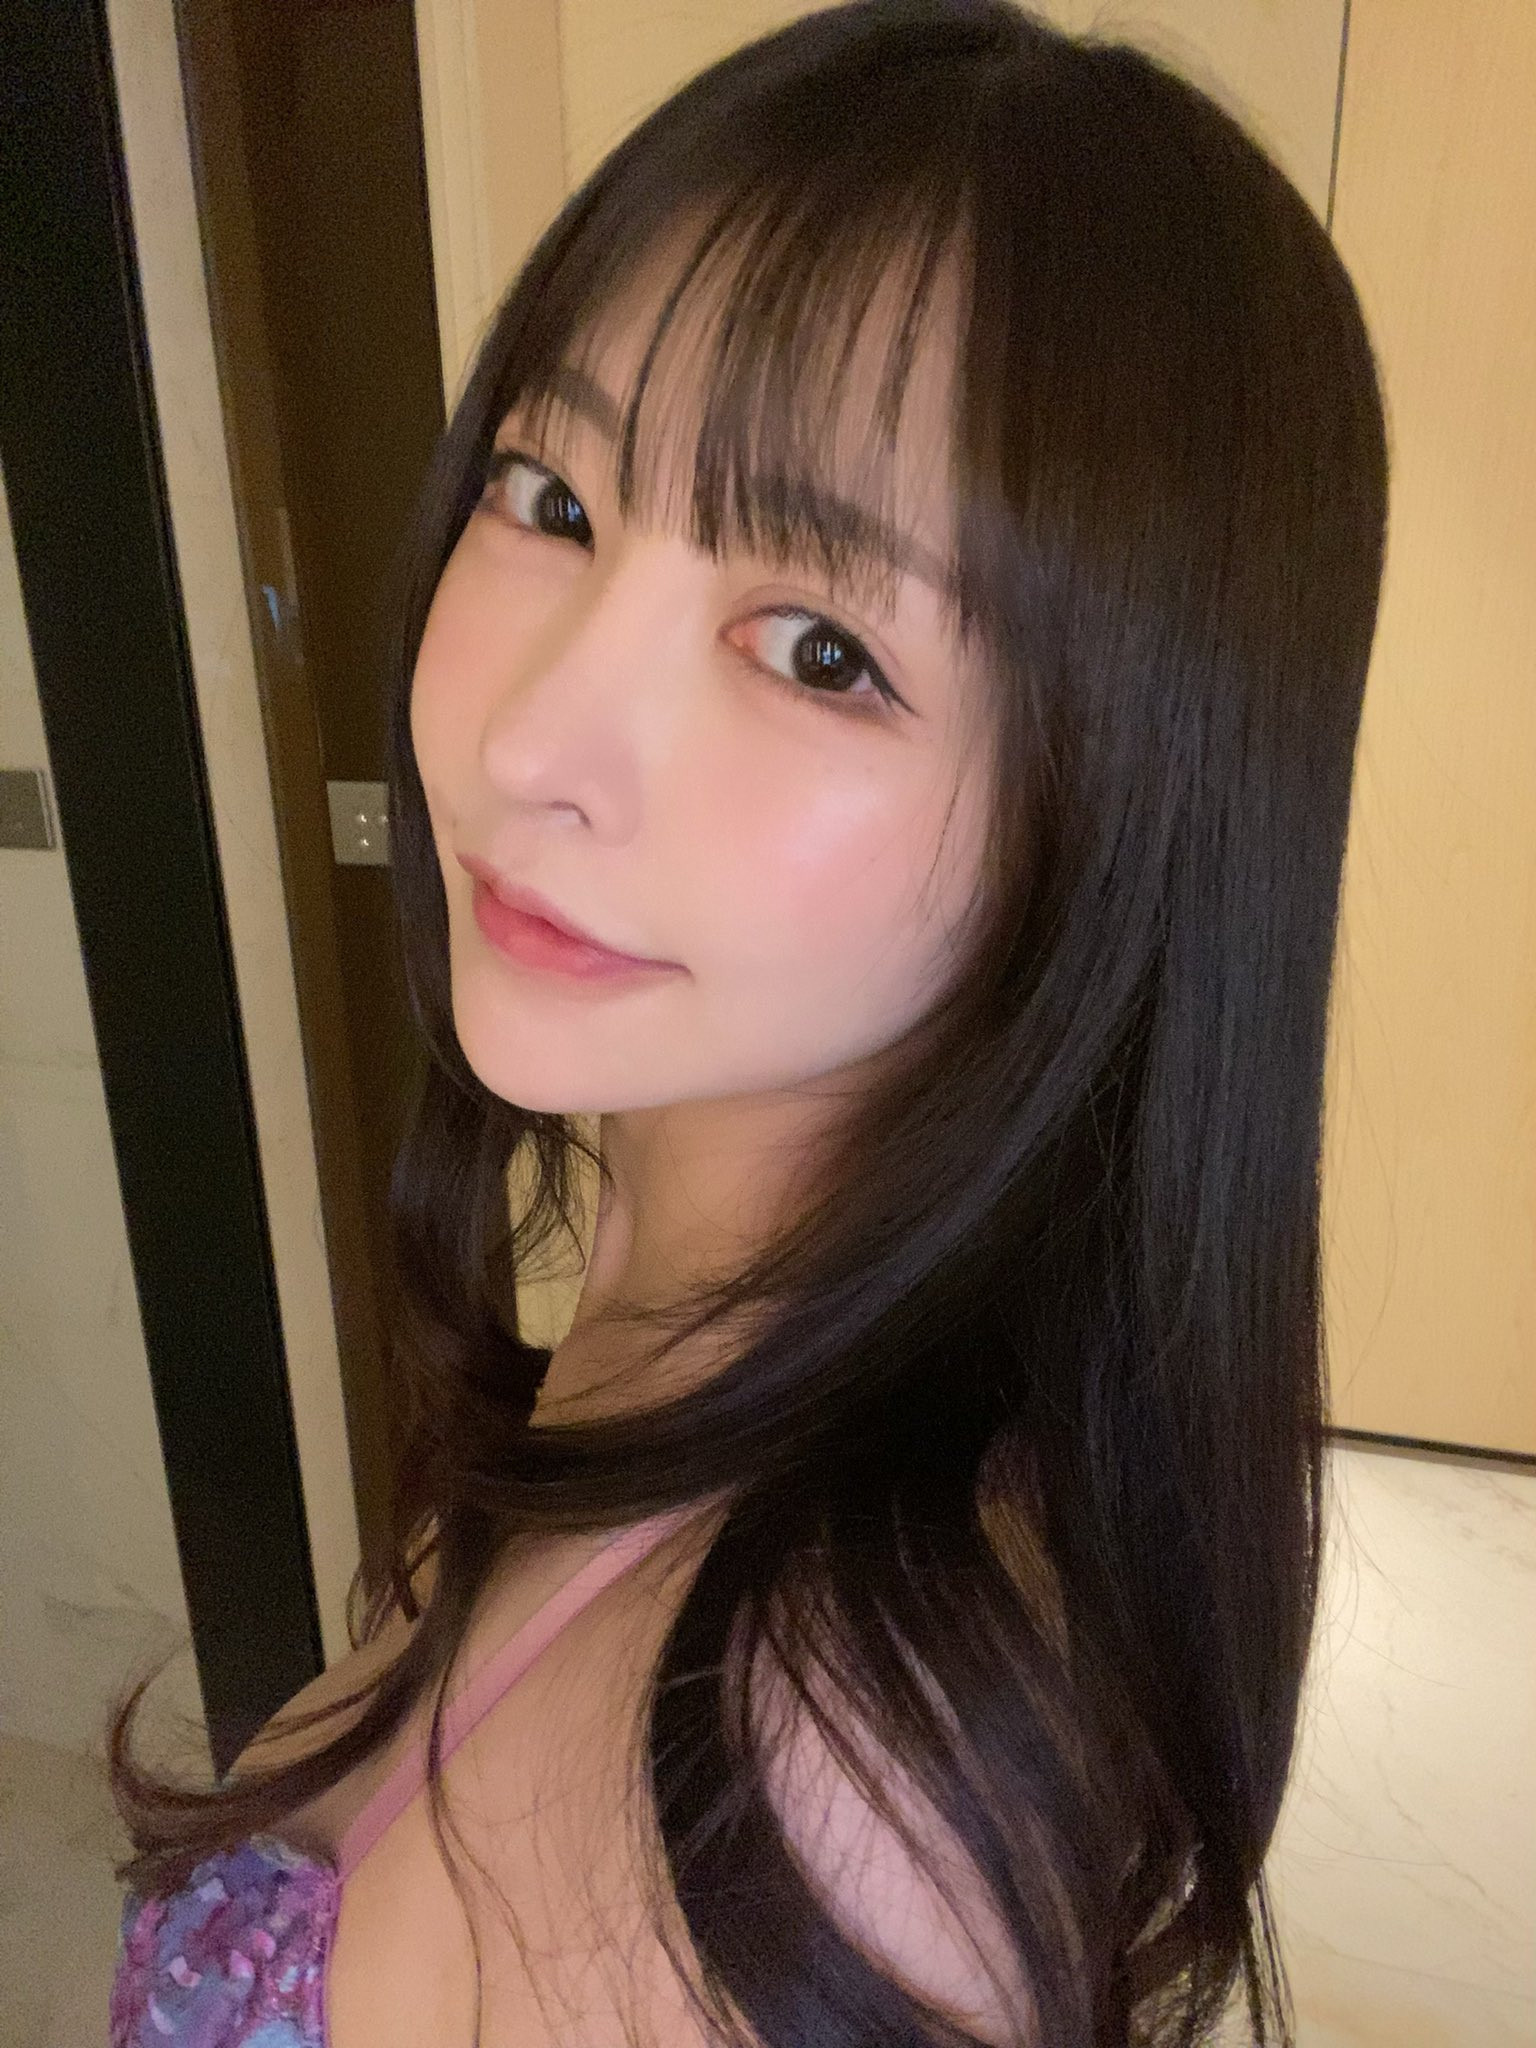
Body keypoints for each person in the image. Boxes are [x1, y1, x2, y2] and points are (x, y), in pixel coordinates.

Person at [106, 2, 1390, 2043]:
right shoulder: (665, 1339)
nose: (530, 744)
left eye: (818, 649)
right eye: (549, 495)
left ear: (1122, 812)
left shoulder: (812, 1774)